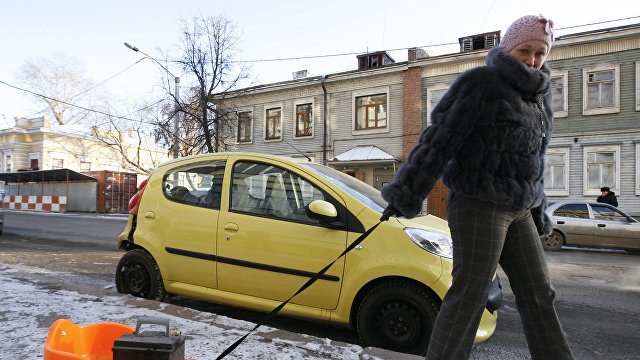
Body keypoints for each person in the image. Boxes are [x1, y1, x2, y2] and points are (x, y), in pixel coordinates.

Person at [380, 15, 574, 360]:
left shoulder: (540, 99)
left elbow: (535, 161)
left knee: (540, 294)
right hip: (478, 203)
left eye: (540, 52)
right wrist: (408, 192)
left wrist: (540, 210)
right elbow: (440, 139)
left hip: (520, 208)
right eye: (524, 50)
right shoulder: (482, 82)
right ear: (508, 47)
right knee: (470, 295)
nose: (532, 60)